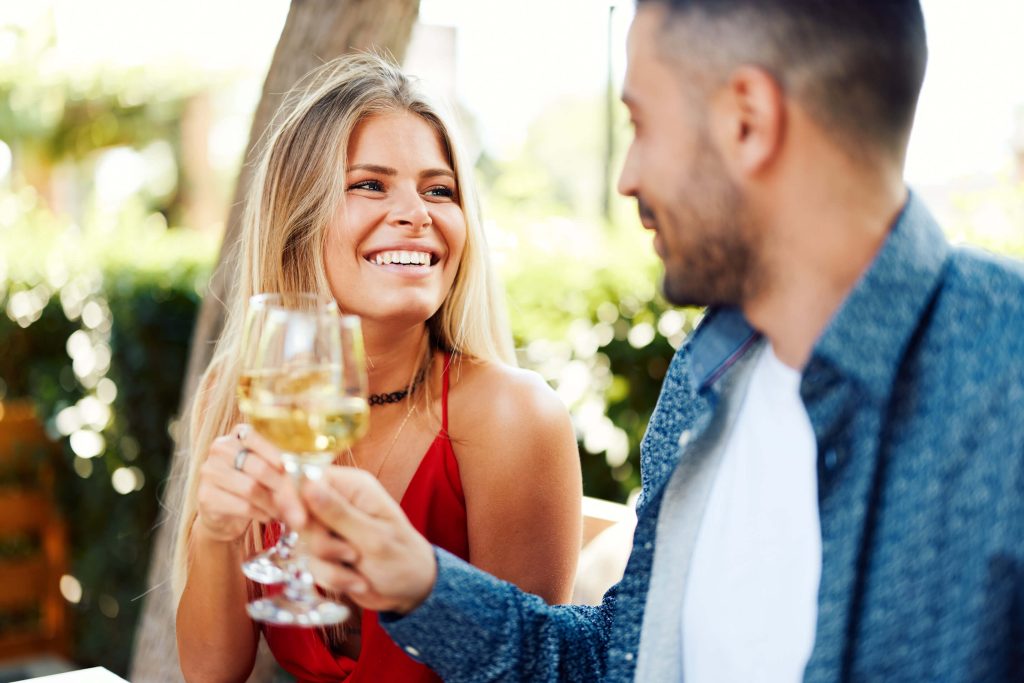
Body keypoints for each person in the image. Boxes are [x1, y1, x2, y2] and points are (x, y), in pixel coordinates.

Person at [273, 1, 1024, 681]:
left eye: (641, 123)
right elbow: (617, 659)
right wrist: (424, 585)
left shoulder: (1006, 377)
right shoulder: (710, 377)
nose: (626, 177)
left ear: (747, 121)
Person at [172, 53, 582, 683]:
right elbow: (209, 673)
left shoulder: (513, 416)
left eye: (439, 190)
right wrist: (217, 533)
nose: (417, 213)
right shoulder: (239, 398)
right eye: (371, 184)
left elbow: (527, 669)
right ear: (297, 220)